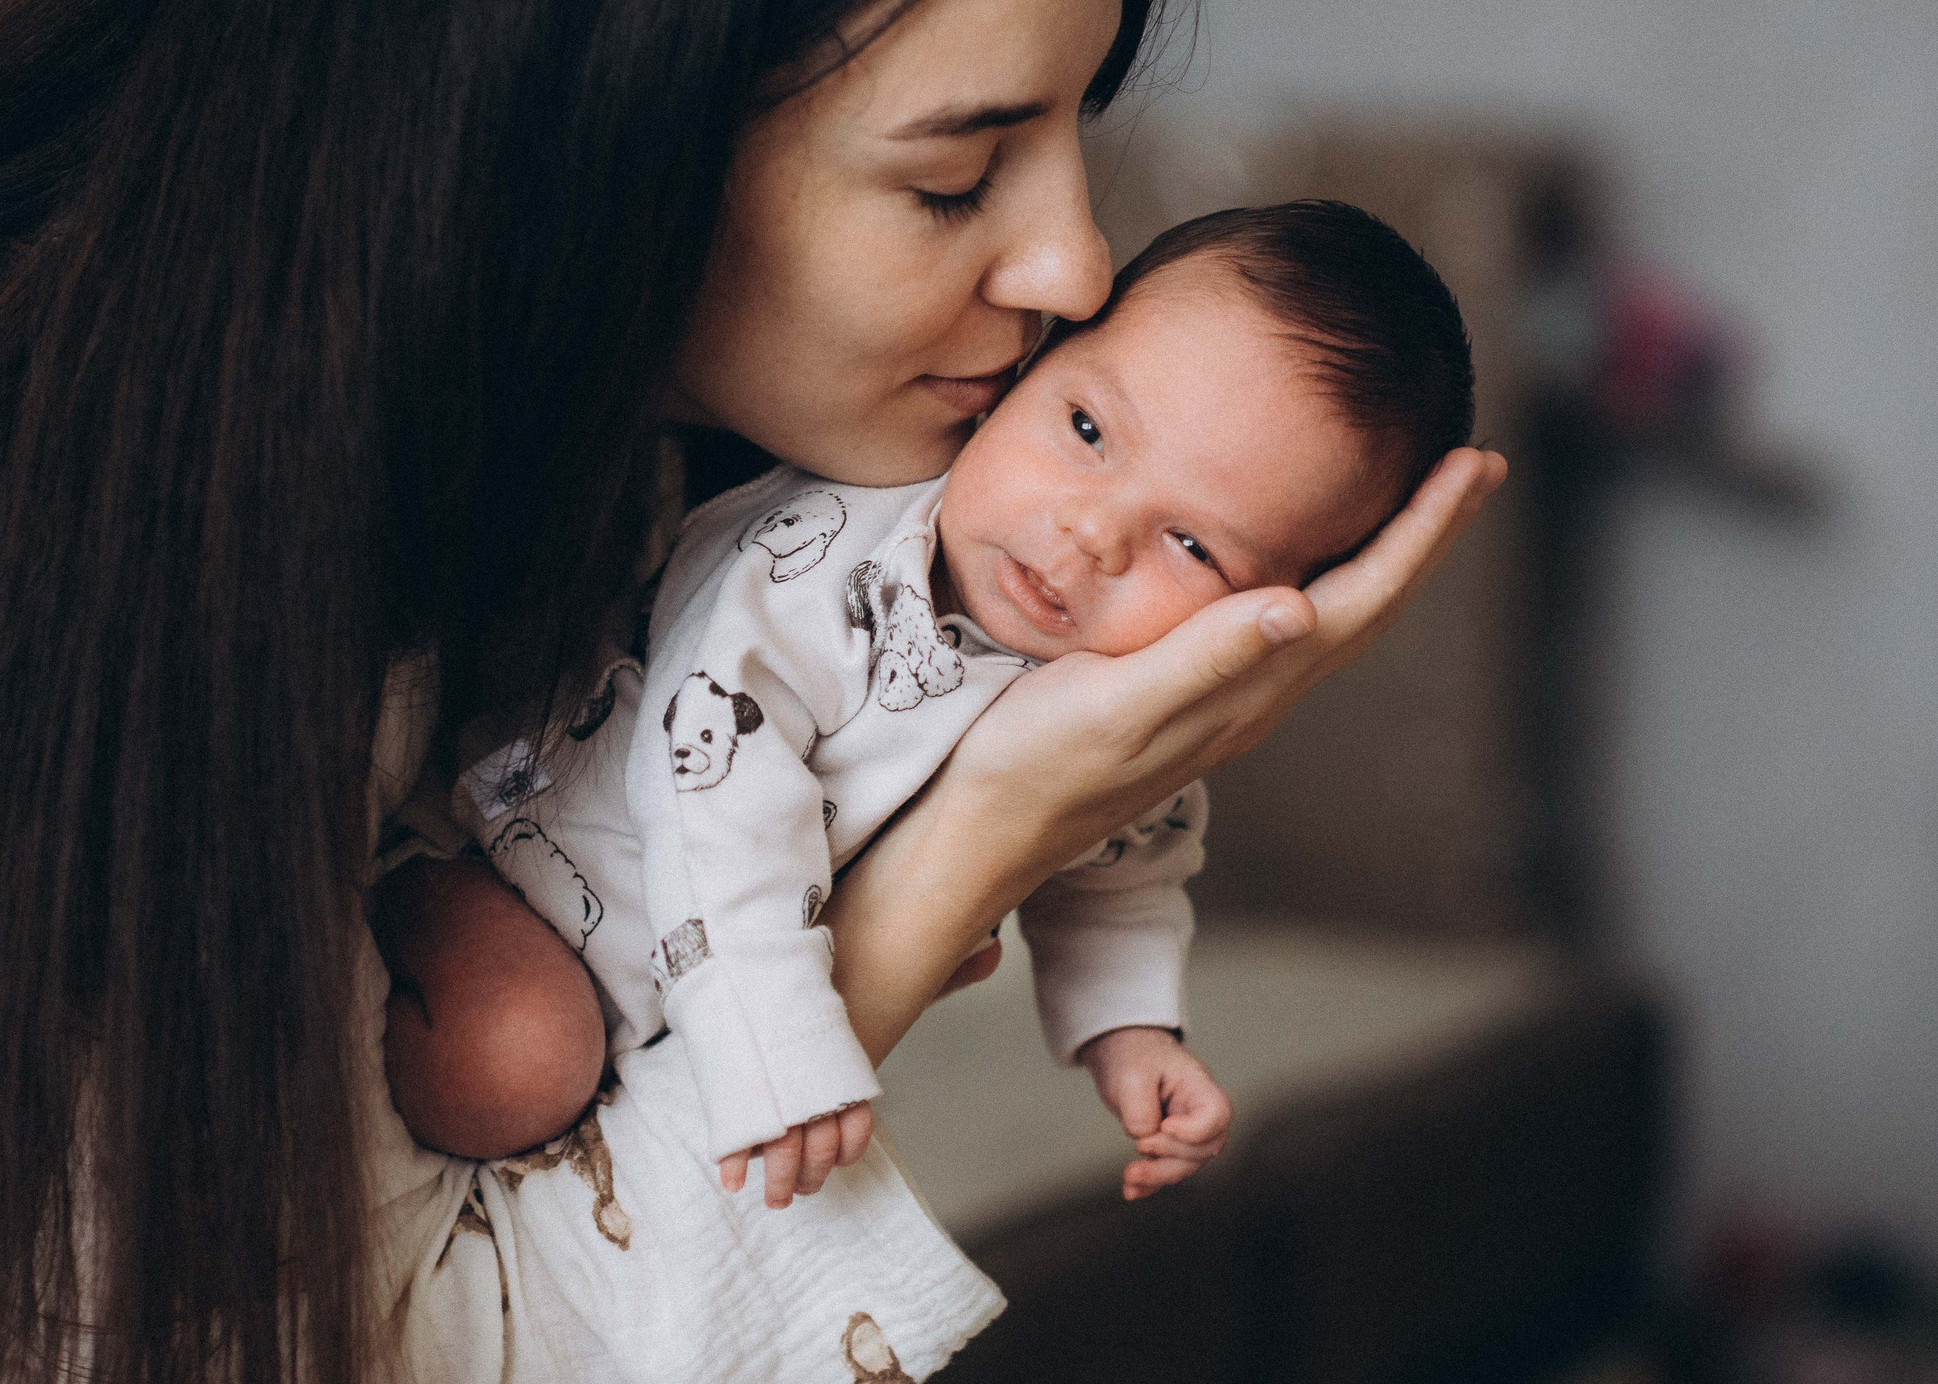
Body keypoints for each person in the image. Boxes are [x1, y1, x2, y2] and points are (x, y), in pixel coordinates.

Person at [0, 0, 1506, 1384]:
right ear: (594, 114)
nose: (1076, 263)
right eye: (958, 174)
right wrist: (970, 844)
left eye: (1073, 141)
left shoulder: (549, 450)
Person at [387, 201, 1476, 1238]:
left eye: (1191, 546)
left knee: (629, 1128)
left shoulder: (1110, 686)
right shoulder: (829, 561)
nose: (1089, 531)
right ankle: (387, 920)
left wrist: (1128, 1027)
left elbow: (1123, 852)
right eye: (1087, 426)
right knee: (520, 1064)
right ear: (1026, 369)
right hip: (516, 863)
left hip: (672, 989)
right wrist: (779, 1034)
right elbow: (713, 777)